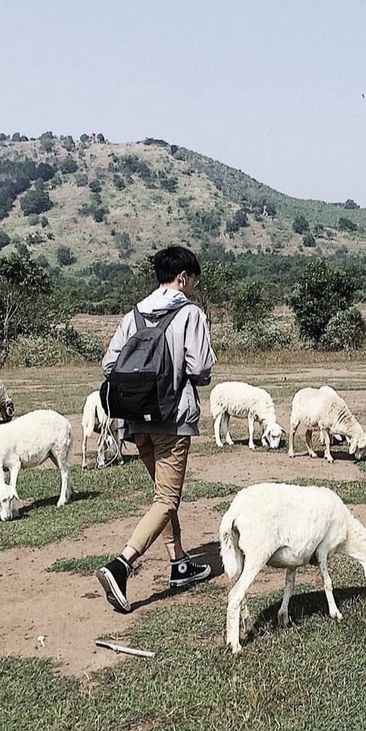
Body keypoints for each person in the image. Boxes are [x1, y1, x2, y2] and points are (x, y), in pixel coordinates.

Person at [95, 246, 216, 613]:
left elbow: (109, 365)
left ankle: (179, 563)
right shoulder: (190, 313)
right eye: (193, 280)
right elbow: (200, 370)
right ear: (182, 278)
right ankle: (122, 565)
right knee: (167, 500)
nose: (193, 286)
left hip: (136, 422)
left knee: (163, 497)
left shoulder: (134, 313)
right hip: (172, 419)